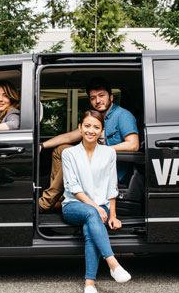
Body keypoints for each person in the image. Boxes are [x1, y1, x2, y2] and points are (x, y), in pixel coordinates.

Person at [39, 77, 139, 212]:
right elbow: (69, 136)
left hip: (111, 169)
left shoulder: (122, 115)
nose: (97, 101)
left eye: (101, 96)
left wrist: (100, 151)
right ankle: (61, 199)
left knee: (73, 156)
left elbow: (133, 145)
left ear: (111, 97)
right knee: (61, 150)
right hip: (93, 164)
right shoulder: (97, 117)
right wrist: (42, 145)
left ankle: (46, 203)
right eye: (93, 98)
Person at [61, 110, 132, 293]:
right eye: (87, 126)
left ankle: (89, 284)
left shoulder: (109, 152)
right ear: (80, 128)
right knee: (92, 215)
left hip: (101, 208)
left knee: (90, 228)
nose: (91, 130)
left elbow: (111, 186)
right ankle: (113, 264)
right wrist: (95, 207)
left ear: (101, 131)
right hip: (74, 206)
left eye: (96, 127)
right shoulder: (69, 153)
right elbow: (72, 187)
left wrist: (114, 215)